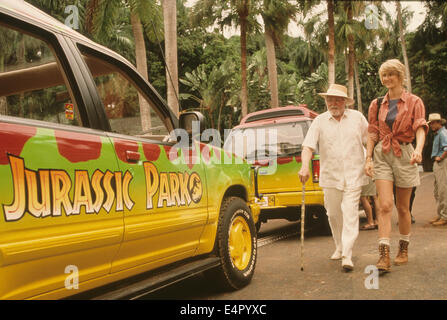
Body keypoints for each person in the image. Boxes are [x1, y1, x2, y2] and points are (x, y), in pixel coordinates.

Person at [364, 59, 428, 273]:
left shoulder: (414, 101)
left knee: (403, 207)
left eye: (391, 74)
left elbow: (420, 126)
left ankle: (403, 248)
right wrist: (368, 158)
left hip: (405, 153)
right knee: (384, 206)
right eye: (384, 75)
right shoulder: (376, 104)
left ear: (400, 76)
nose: (387, 78)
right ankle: (384, 255)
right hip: (383, 153)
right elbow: (372, 132)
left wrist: (418, 149)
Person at [299, 84, 368, 272]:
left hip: (354, 174)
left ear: (345, 101)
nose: (333, 103)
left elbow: (369, 140)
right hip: (330, 176)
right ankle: (339, 245)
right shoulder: (319, 121)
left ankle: (347, 254)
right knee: (333, 214)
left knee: (350, 213)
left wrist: (370, 160)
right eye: (330, 99)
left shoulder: (357, 118)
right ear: (326, 101)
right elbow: (308, 147)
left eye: (337, 99)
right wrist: (305, 166)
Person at [427, 113, 447, 226]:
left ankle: (444, 215)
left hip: (442, 162)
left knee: (443, 189)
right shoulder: (437, 134)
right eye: (431, 123)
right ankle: (440, 214)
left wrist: (441, 157)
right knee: (437, 189)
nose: (431, 126)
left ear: (439, 122)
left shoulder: (443, 133)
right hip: (438, 162)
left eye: (433, 123)